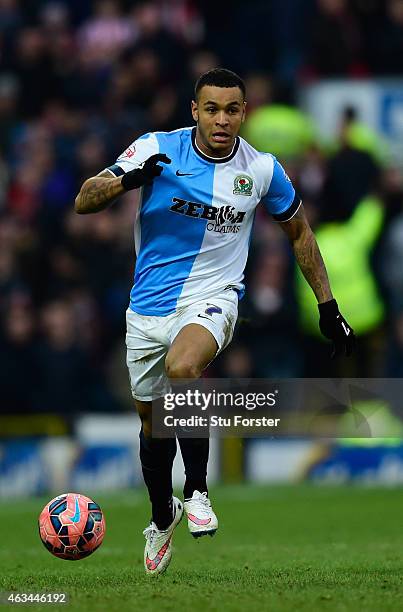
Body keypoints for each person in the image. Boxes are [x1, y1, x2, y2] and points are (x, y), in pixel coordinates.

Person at [74, 68, 355, 576]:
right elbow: (83, 200)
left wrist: (328, 306)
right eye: (212, 109)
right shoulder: (156, 148)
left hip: (214, 298)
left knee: (185, 371)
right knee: (153, 424)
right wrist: (123, 181)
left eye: (232, 110)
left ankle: (198, 491)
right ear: (194, 111)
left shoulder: (263, 170)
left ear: (244, 113)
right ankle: (163, 517)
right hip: (147, 309)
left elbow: (300, 235)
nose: (222, 120)